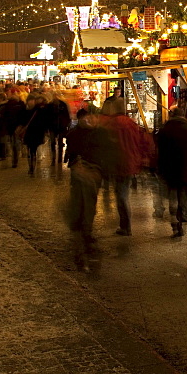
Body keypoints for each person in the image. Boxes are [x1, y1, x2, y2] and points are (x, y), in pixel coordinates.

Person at [64, 109, 110, 268]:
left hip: (93, 175)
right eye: (86, 118)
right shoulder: (74, 134)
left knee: (89, 203)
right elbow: (72, 151)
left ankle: (85, 230)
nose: (90, 120)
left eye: (93, 117)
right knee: (80, 202)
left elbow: (106, 153)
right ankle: (81, 232)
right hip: (79, 174)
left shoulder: (101, 133)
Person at [103, 99, 154, 236]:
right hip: (131, 163)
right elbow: (146, 141)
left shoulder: (112, 124)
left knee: (121, 195)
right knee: (123, 194)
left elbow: (107, 145)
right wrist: (144, 157)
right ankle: (125, 225)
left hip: (119, 163)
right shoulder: (131, 123)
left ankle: (126, 226)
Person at [156, 108, 187, 238]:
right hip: (185, 168)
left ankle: (175, 223)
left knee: (172, 194)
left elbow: (160, 151)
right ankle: (183, 216)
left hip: (169, 168)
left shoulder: (164, 130)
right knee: (182, 193)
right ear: (183, 117)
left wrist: (160, 168)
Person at [21, 95, 49, 175]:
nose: (31, 102)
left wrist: (44, 132)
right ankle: (31, 166)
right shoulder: (25, 111)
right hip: (28, 133)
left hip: (37, 132)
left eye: (32, 100)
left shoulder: (39, 111)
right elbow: (22, 121)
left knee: (33, 150)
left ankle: (32, 167)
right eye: (30, 100)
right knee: (29, 150)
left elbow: (43, 122)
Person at [48, 92, 72, 166]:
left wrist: (66, 124)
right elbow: (47, 117)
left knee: (60, 143)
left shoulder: (62, 105)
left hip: (61, 126)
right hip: (53, 126)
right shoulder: (50, 105)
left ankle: (59, 159)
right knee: (52, 143)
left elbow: (67, 116)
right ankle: (54, 158)